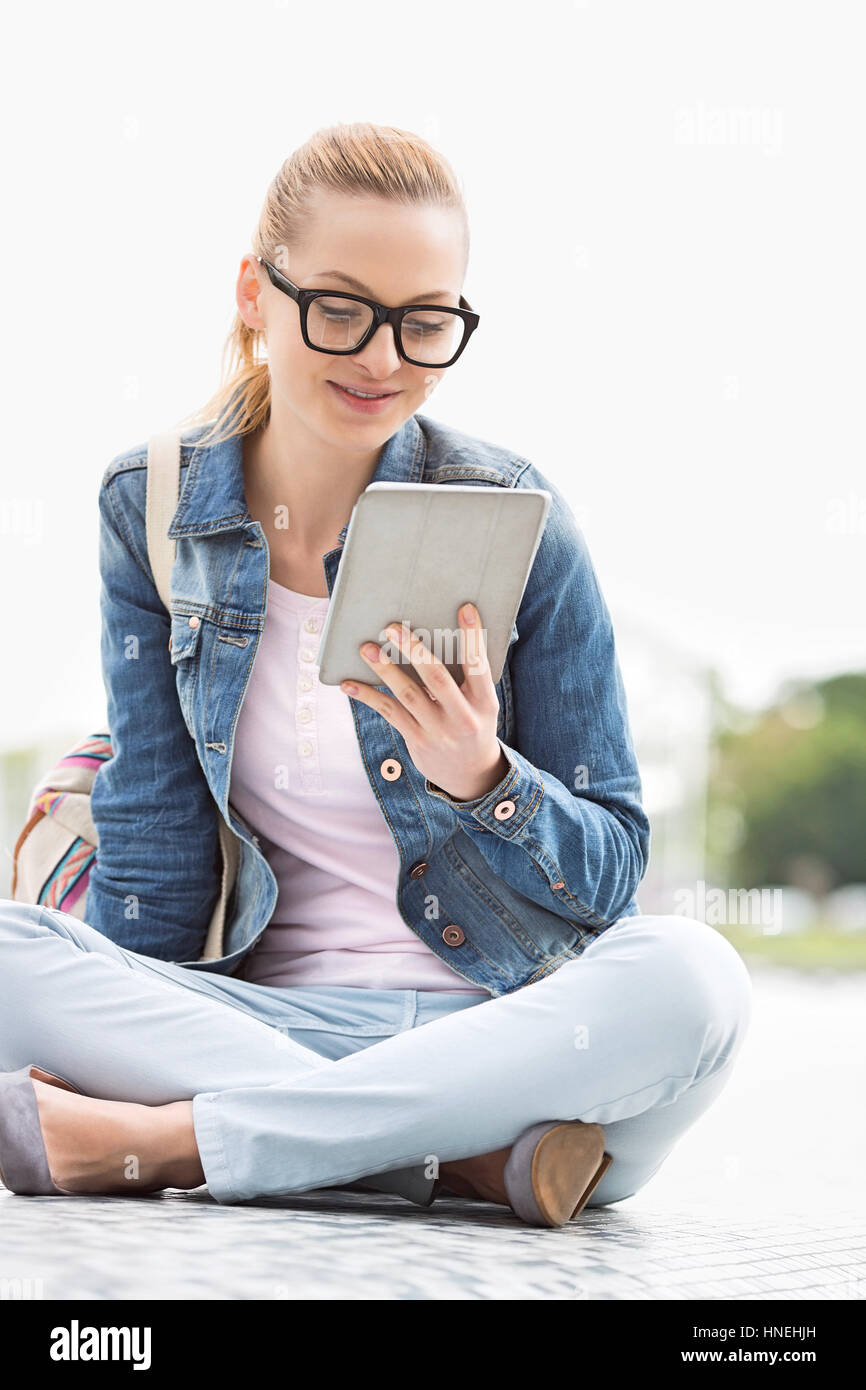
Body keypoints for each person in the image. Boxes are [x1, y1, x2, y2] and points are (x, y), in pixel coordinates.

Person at [0, 122, 751, 1227]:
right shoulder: (152, 509)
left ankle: (182, 1141)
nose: (383, 358)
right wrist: (97, 1005)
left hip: (501, 1036)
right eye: (340, 309)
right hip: (266, 1027)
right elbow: (159, 851)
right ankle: (460, 1163)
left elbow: (611, 874)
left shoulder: (517, 518)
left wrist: (483, 779)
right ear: (256, 293)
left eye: (426, 321)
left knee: (691, 979)